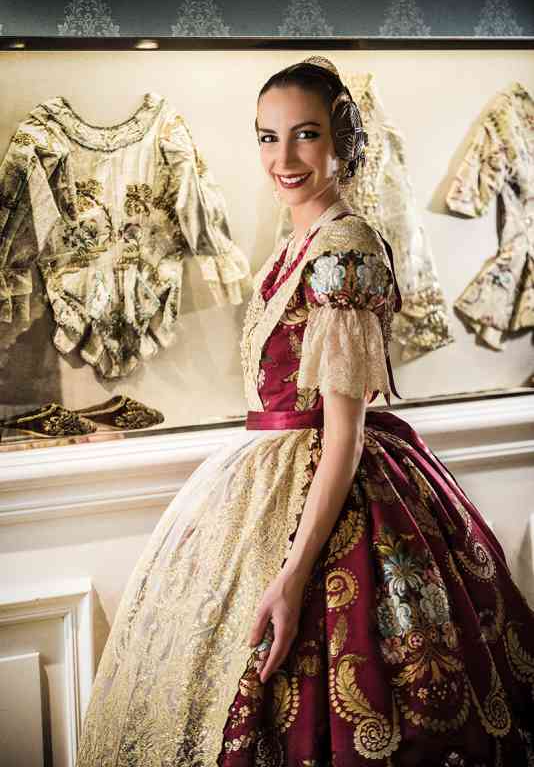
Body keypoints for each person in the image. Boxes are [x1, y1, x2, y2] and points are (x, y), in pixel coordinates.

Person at [76, 57, 534, 767]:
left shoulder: (344, 249)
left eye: (305, 135)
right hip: (267, 471)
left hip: (331, 482)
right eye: (268, 137)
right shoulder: (297, 243)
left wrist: (291, 576)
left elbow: (344, 436)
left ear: (341, 141)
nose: (283, 158)